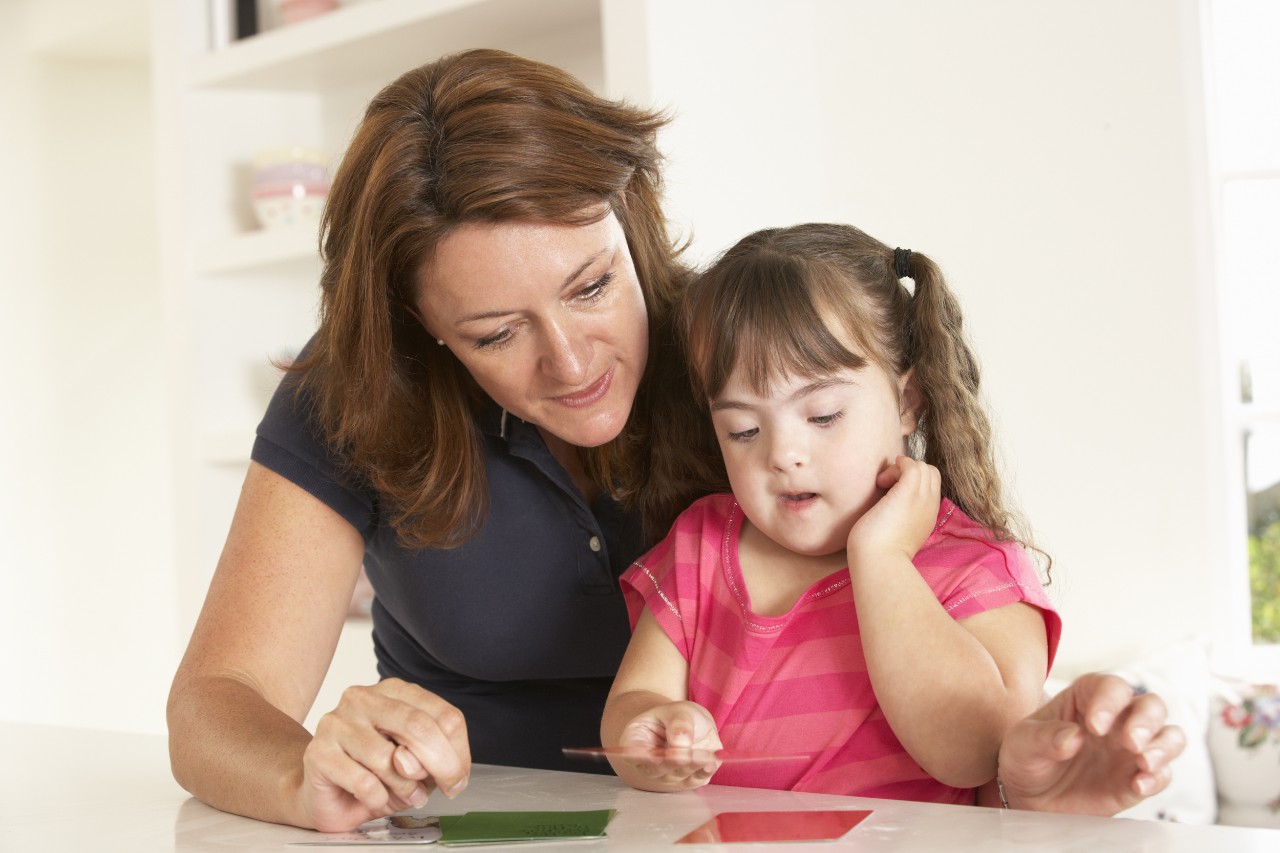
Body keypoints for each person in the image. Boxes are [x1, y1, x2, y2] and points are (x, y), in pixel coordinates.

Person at [166, 49, 1185, 833]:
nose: (570, 362)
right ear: (418, 325)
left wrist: (1020, 779)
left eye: (591, 285)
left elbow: (975, 729)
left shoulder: (744, 364)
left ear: (630, 217)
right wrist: (307, 772)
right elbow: (218, 702)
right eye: (495, 333)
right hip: (481, 829)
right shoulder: (357, 393)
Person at [603, 223, 1058, 803]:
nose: (782, 455)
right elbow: (633, 703)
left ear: (907, 401)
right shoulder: (701, 545)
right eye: (743, 430)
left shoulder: (978, 569)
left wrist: (882, 558)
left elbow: (976, 752)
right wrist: (654, 731)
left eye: (822, 416)